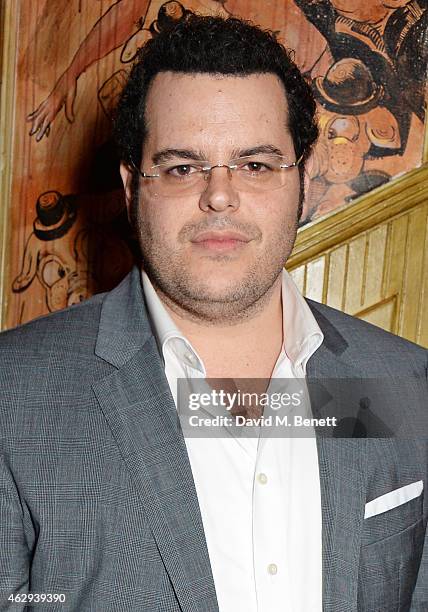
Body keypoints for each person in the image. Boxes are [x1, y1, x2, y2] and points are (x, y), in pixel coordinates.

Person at [0, 14, 427, 612]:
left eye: (255, 164)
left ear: (303, 181)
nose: (219, 194)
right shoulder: (13, 395)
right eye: (182, 167)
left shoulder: (408, 384)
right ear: (131, 186)